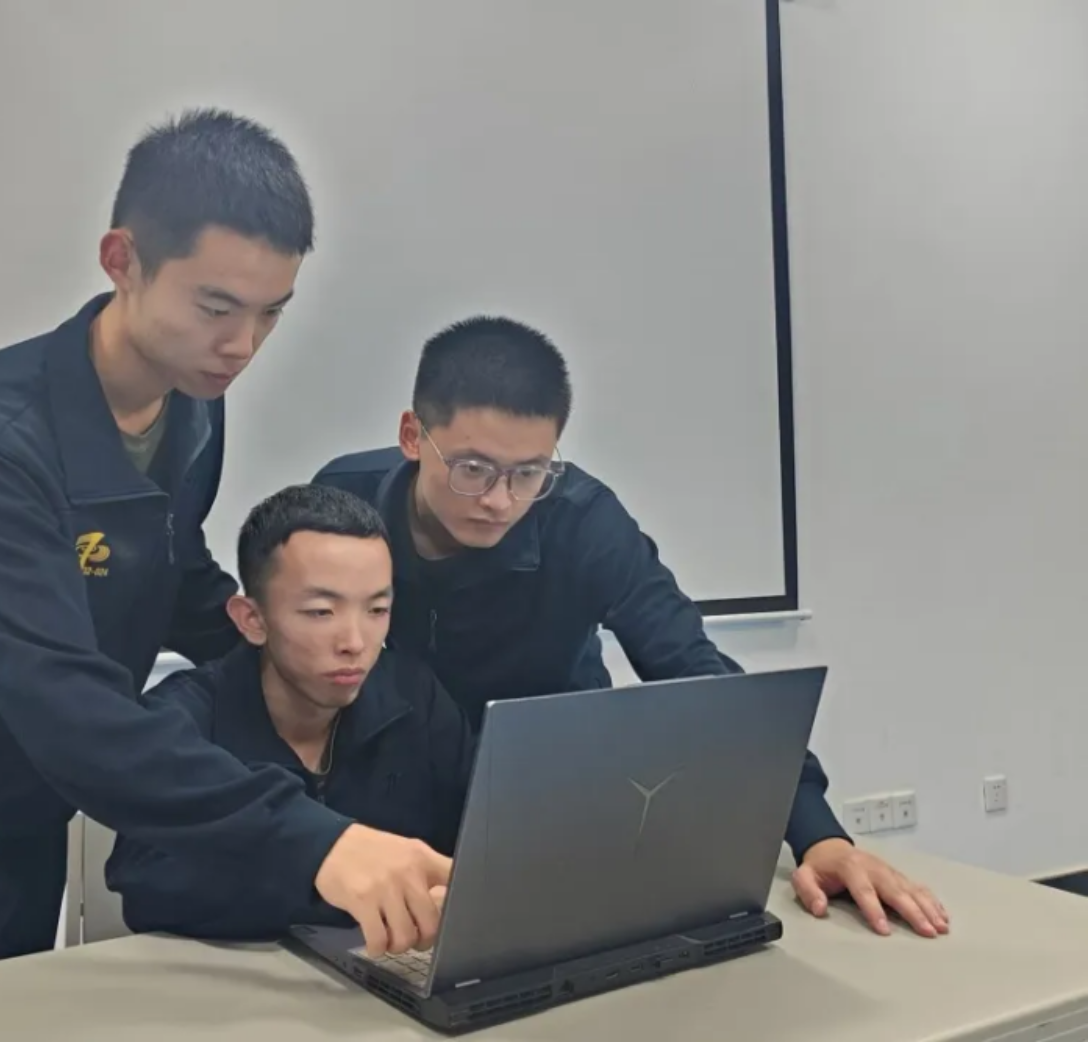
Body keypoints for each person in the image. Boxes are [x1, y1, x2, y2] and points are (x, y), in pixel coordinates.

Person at [0, 109, 449, 989]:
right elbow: (65, 702)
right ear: (122, 260)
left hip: (27, 785)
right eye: (215, 307)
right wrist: (320, 842)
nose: (241, 346)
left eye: (269, 314)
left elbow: (165, 567)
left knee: (20, 1003)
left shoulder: (191, 395)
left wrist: (292, 642)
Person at [312, 315, 950, 939]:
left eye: (529, 472)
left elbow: (698, 674)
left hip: (547, 803)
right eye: (472, 469)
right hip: (386, 806)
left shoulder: (583, 522)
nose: (499, 500)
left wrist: (821, 836)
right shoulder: (340, 504)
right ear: (413, 435)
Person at [106, 483, 473, 939]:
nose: (355, 642)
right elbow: (148, 889)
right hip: (225, 971)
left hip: (383, 967)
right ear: (252, 620)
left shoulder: (413, 696)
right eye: (321, 612)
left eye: (377, 609)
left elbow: (478, 839)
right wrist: (331, 878)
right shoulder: (184, 721)